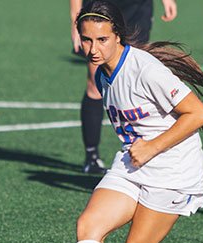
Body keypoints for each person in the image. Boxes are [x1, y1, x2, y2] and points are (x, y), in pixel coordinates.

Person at [25, 1, 203, 243]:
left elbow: (198, 114)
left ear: (118, 37)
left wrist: (154, 146)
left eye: (101, 40)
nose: (92, 49)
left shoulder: (144, 69)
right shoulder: (101, 72)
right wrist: (143, 151)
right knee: (89, 226)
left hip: (171, 170)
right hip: (133, 164)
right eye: (86, 40)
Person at [69, 0, 178, 174]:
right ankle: (91, 155)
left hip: (137, 6)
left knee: (135, 70)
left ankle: (143, 150)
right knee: (96, 81)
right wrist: (76, 17)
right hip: (100, 5)